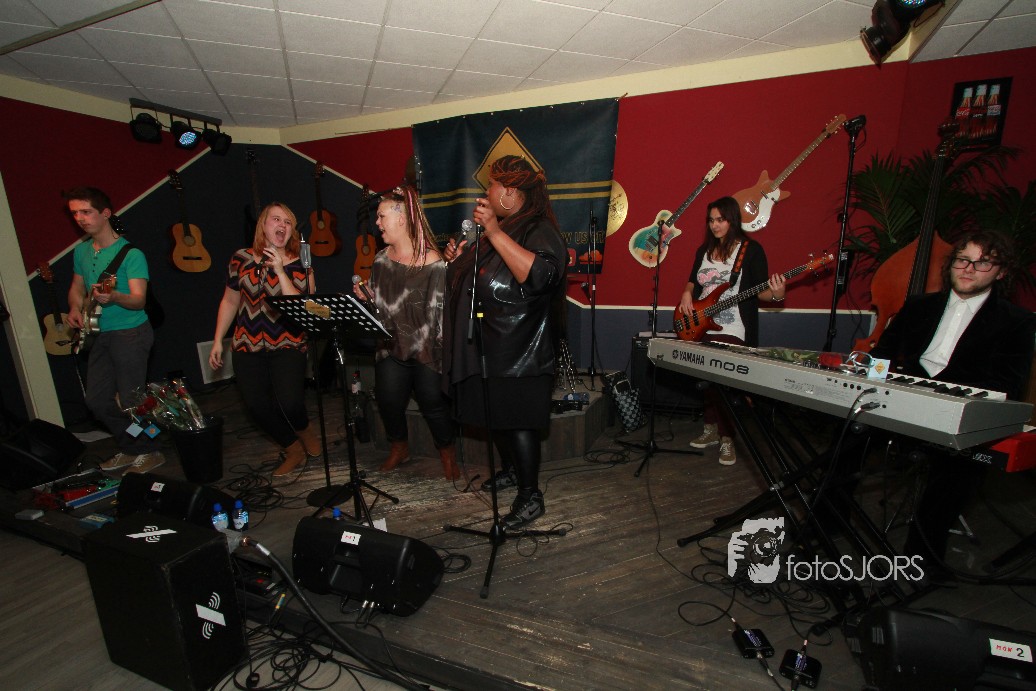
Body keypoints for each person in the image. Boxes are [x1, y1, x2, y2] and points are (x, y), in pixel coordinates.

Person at [870, 230, 1035, 569]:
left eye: (982, 263)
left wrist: (950, 400)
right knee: (845, 438)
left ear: (1001, 272)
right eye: (963, 259)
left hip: (958, 418)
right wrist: (866, 381)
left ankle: (921, 560)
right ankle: (823, 530)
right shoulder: (919, 306)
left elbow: (1007, 386)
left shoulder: (1016, 322)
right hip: (902, 406)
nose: (969, 269)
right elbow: (882, 356)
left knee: (959, 470)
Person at [443, 155, 567, 531]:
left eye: (492, 187)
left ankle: (531, 497)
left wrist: (494, 232)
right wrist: (459, 261)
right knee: (497, 418)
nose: (486, 194)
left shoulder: (538, 228)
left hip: (523, 349)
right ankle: (512, 471)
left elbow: (540, 276)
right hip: (493, 346)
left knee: (519, 423)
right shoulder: (505, 229)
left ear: (510, 193)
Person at [208, 202, 321, 477]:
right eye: (276, 219)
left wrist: (280, 270)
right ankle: (292, 448)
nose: (282, 225)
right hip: (246, 344)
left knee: (290, 404)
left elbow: (301, 306)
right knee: (256, 407)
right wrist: (218, 340)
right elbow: (230, 300)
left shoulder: (302, 262)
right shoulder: (241, 258)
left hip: (288, 343)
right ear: (263, 225)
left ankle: (305, 430)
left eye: (288, 222)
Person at [354, 185, 458, 480]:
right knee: (388, 400)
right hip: (391, 344)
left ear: (402, 219)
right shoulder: (380, 259)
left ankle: (447, 453)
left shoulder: (434, 262)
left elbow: (441, 314)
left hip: (427, 349)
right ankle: (399, 448)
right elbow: (380, 304)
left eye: (381, 216)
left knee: (433, 404)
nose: (377, 223)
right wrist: (366, 297)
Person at [678, 196, 787, 465]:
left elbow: (761, 292)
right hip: (702, 325)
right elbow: (693, 281)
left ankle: (728, 438)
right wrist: (686, 294)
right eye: (711, 220)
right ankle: (710, 429)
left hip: (735, 326)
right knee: (707, 379)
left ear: (732, 220)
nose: (715, 225)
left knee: (724, 382)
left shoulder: (751, 250)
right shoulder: (704, 250)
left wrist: (777, 294)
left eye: (721, 220)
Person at [64, 187, 165, 475]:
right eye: (75, 213)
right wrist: (74, 308)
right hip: (98, 332)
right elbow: (77, 287)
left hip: (130, 332)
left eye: (86, 212)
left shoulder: (131, 254)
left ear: (105, 213)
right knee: (97, 401)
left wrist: (115, 297)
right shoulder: (82, 251)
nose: (80, 218)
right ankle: (133, 445)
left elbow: (139, 300)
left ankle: (150, 450)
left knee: (132, 399)